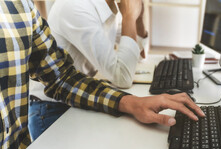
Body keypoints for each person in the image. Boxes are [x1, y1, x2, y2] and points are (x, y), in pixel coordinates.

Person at [0, 0, 209, 149]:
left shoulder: (18, 6)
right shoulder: (74, 8)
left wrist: (129, 102)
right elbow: (122, 74)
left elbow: (61, 76)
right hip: (47, 115)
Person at [28, 0, 149, 141]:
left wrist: (138, 18)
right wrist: (129, 17)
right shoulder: (75, 7)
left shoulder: (107, 8)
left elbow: (140, 56)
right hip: (52, 109)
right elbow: (122, 77)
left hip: (80, 98)